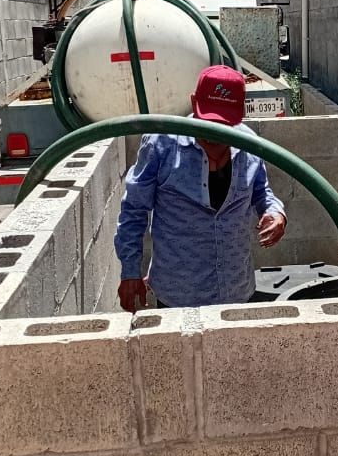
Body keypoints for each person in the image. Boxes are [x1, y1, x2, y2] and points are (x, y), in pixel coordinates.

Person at [114, 65, 287, 311]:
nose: (214, 134)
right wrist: (129, 272)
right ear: (193, 103)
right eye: (209, 121)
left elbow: (262, 192)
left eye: (224, 124)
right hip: (179, 296)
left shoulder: (249, 144)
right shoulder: (162, 145)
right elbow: (133, 209)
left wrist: (275, 212)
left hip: (236, 292)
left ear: (240, 114)